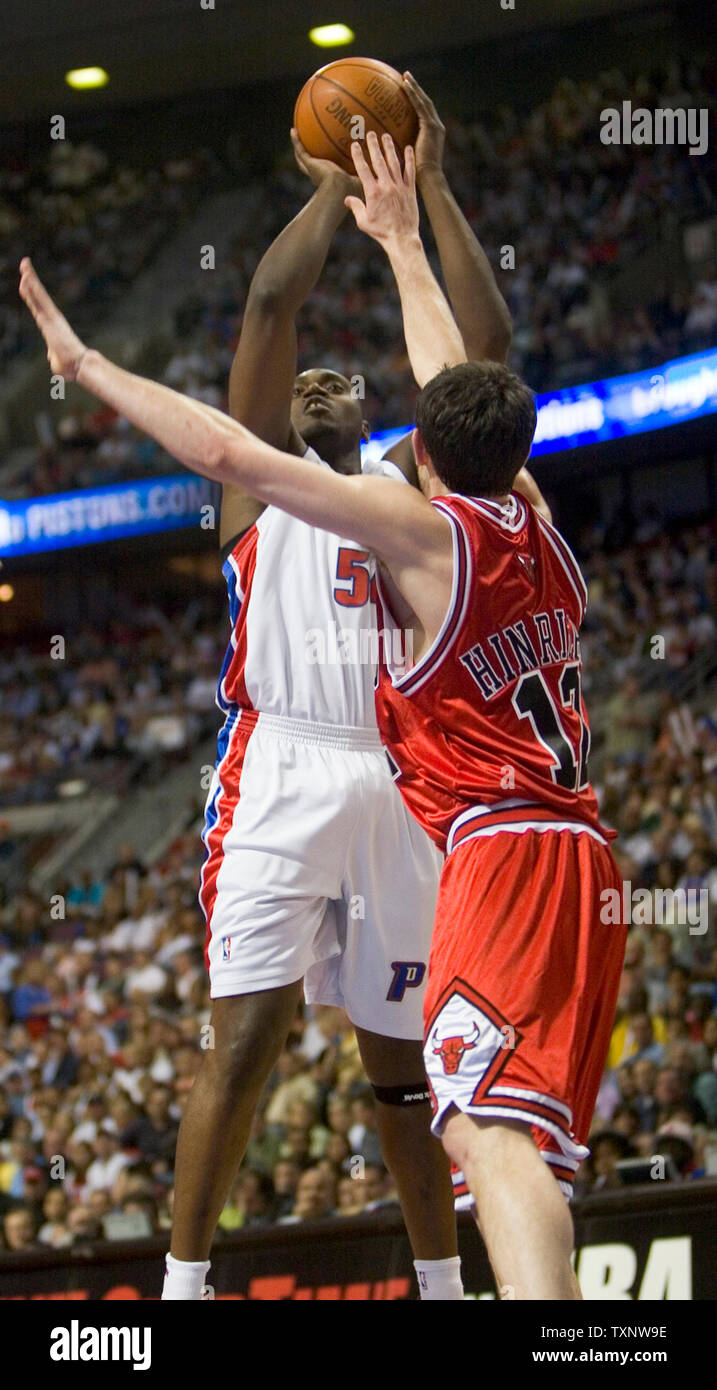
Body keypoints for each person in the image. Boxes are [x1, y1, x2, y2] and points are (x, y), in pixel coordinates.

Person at [17, 125, 598, 1301]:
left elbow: (478, 355)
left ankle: (444, 1285)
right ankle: (183, 1287)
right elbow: (275, 300)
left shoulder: (412, 499)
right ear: (289, 411)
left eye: (352, 382)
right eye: (306, 382)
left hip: (407, 781)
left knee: (405, 1076)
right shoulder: (260, 495)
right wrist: (348, 184)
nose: (325, 379)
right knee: (243, 1044)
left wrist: (422, 192)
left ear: (409, 433)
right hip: (287, 765)